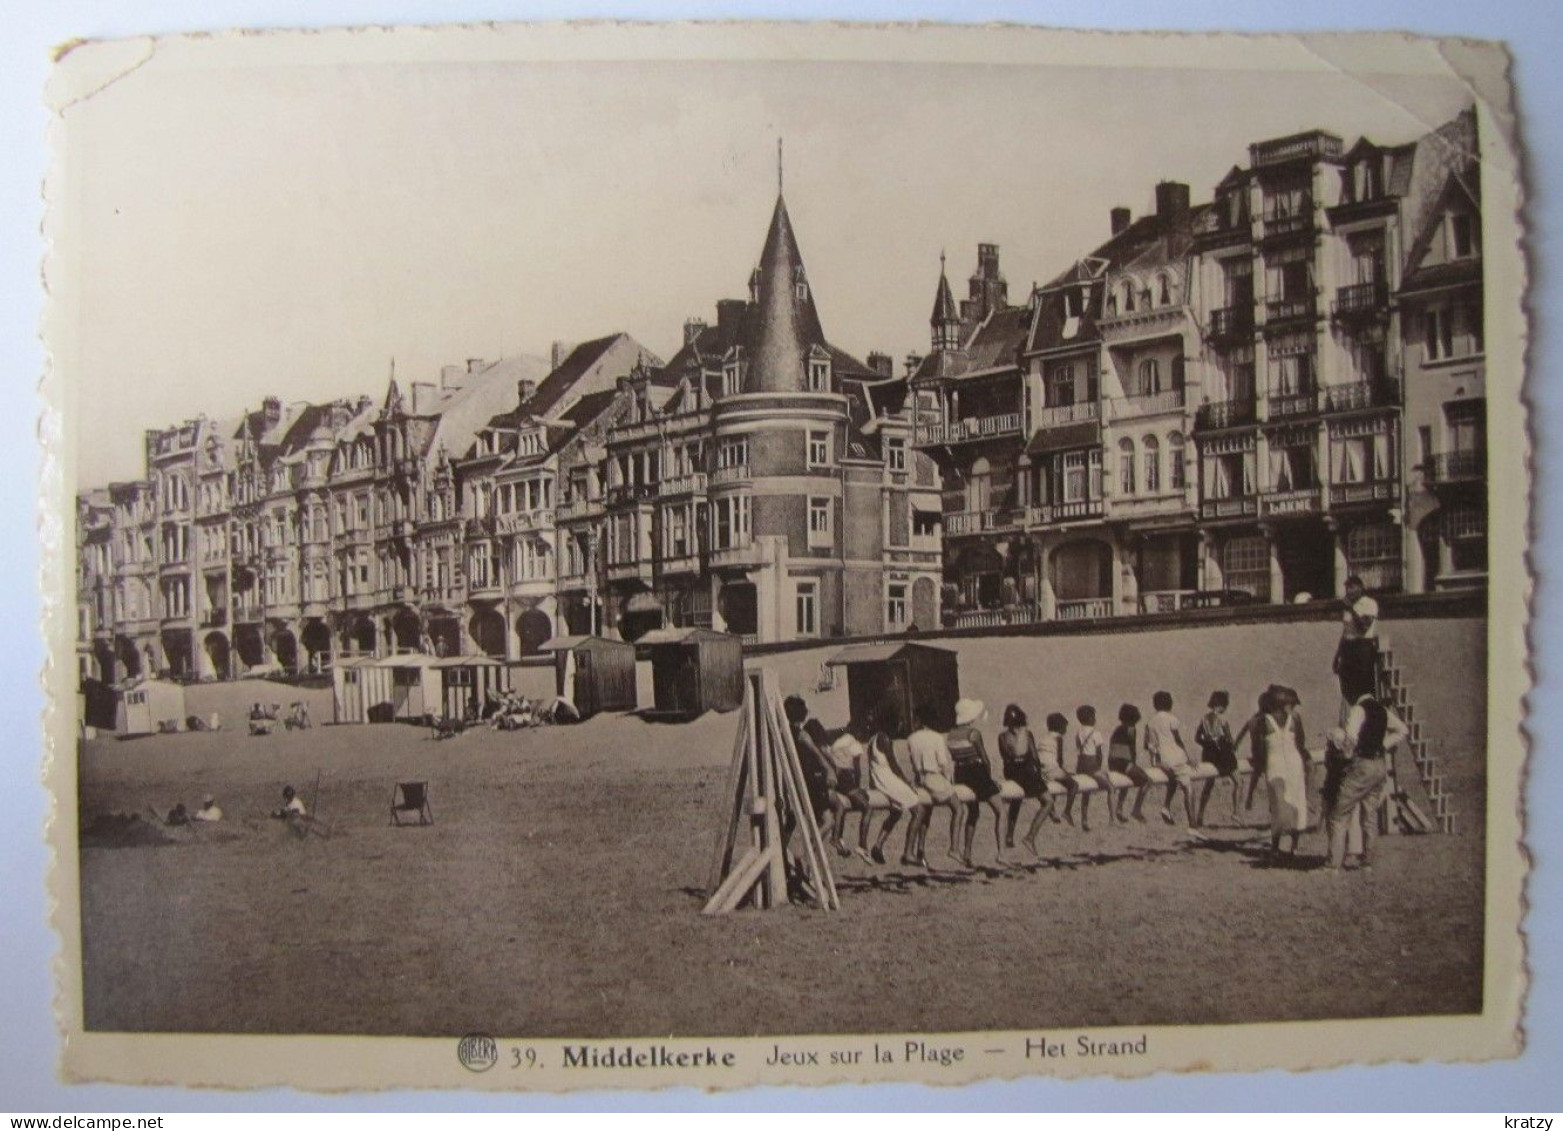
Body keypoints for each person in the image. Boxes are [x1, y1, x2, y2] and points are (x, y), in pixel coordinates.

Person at [1325, 691, 1409, 872]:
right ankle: (1367, 863)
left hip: (1363, 764)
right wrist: (1383, 745)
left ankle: (1332, 865)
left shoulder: (1358, 709)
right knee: (1370, 816)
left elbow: (1351, 736)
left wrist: (1344, 751)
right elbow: (1403, 730)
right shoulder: (1382, 710)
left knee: (1339, 814)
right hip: (1380, 764)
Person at [859, 702, 929, 866]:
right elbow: (894, 765)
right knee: (919, 811)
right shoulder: (885, 738)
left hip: (879, 779)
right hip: (887, 780)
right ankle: (908, 852)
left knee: (896, 812)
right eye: (898, 722)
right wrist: (907, 783)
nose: (900, 725)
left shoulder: (873, 738)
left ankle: (878, 844)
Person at [784, 694, 852, 858]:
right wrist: (829, 769)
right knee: (828, 820)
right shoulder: (802, 735)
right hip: (812, 781)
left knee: (802, 819)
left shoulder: (785, 734)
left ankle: (796, 851)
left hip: (798, 781)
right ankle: (807, 850)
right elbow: (818, 754)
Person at [945, 698, 1008, 867]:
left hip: (960, 773)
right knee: (1001, 811)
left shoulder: (950, 735)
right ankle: (1002, 853)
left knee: (973, 812)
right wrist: (989, 779)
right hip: (976, 772)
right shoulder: (973, 734)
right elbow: (985, 758)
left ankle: (967, 852)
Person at [1256, 685, 1310, 859]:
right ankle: (1294, 846)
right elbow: (1301, 743)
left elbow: (1260, 748)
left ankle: (1275, 847)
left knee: (1277, 804)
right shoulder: (1295, 718)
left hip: (1274, 763)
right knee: (1296, 802)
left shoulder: (1264, 721)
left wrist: (1259, 766)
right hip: (1294, 762)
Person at [905, 703, 962, 864]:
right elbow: (943, 763)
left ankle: (918, 849)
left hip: (920, 779)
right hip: (934, 777)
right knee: (958, 809)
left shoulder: (911, 738)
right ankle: (954, 848)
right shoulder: (937, 737)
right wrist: (949, 781)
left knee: (924, 813)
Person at [996, 705, 1050, 855]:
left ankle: (1009, 835)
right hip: (1025, 771)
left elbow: (1006, 758)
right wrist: (1038, 776)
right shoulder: (1027, 734)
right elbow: (1034, 758)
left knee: (1016, 799)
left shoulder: (1002, 736)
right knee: (1048, 801)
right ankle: (1030, 837)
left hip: (1011, 772)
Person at [1145, 691, 1200, 833]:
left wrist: (1154, 762)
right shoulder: (1172, 719)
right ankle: (1193, 825)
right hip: (1176, 758)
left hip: (1164, 760)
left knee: (1173, 781)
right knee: (1189, 789)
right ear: (1169, 703)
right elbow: (1178, 740)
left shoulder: (1150, 722)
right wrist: (1188, 758)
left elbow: (1150, 745)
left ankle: (1166, 807)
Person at [1333, 575, 1381, 714]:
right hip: (1348, 649)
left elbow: (1363, 627)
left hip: (1362, 648)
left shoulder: (1369, 604)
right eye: (1347, 588)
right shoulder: (1348, 608)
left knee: (1363, 688)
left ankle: (1366, 717)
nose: (1349, 591)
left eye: (1352, 587)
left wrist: (1352, 609)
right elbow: (1346, 632)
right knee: (1347, 687)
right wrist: (1337, 656)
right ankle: (1352, 718)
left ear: (1360, 588)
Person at [1194, 690, 1242, 824]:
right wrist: (1233, 746)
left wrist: (1208, 744)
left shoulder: (1204, 719)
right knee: (1239, 781)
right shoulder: (1222, 719)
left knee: (1209, 784)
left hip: (1209, 754)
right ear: (1221, 705)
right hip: (1223, 754)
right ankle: (1236, 812)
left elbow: (1197, 738)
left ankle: (1200, 815)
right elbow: (1229, 738)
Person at [1107, 703, 1148, 823]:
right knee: (1146, 780)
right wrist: (1133, 764)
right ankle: (1136, 809)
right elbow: (1132, 749)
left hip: (1113, 763)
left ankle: (1119, 808)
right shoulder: (1131, 729)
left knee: (1126, 783)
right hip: (1124, 762)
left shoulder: (1117, 729)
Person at [1037, 712, 1080, 825]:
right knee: (1073, 785)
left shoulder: (1044, 738)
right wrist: (1065, 773)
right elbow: (1059, 759)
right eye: (1065, 727)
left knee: (1053, 782)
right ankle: (1067, 811)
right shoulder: (1059, 738)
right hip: (1051, 768)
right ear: (1061, 727)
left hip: (1040, 769)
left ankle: (1053, 811)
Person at [1073, 704, 1110, 832]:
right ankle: (1112, 817)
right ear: (1089, 718)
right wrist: (1098, 768)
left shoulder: (1078, 733)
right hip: (1091, 764)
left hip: (1081, 764)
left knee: (1086, 793)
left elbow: (1079, 749)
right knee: (1110, 787)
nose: (1095, 719)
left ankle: (1084, 819)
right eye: (1093, 716)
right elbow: (1099, 753)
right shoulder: (1096, 733)